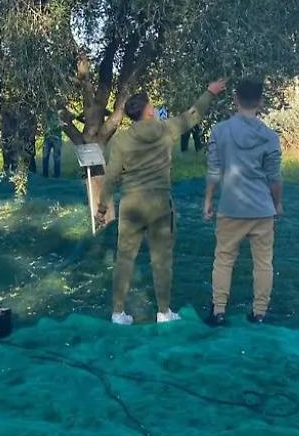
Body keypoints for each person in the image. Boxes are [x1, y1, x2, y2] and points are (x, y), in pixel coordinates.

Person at [97, 79, 226, 326]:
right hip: (159, 205)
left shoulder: (121, 141)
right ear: (146, 111)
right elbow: (193, 115)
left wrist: (103, 207)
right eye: (152, 105)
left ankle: (117, 313)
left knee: (124, 258)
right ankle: (164, 311)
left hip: (131, 205)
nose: (154, 108)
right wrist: (209, 92)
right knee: (162, 260)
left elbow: (112, 177)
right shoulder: (166, 129)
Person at [203, 79, 283, 326]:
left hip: (230, 207)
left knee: (224, 259)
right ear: (260, 101)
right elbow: (274, 177)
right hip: (261, 209)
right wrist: (277, 204)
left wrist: (208, 200)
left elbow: (214, 170)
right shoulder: (269, 137)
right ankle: (259, 312)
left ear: (235, 99)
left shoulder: (219, 131)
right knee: (263, 263)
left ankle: (218, 311)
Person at [42, 111, 62, 179]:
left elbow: (61, 125)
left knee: (56, 157)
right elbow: (43, 124)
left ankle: (57, 175)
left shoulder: (59, 113)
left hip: (57, 137)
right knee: (45, 157)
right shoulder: (46, 113)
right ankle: (45, 175)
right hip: (47, 138)